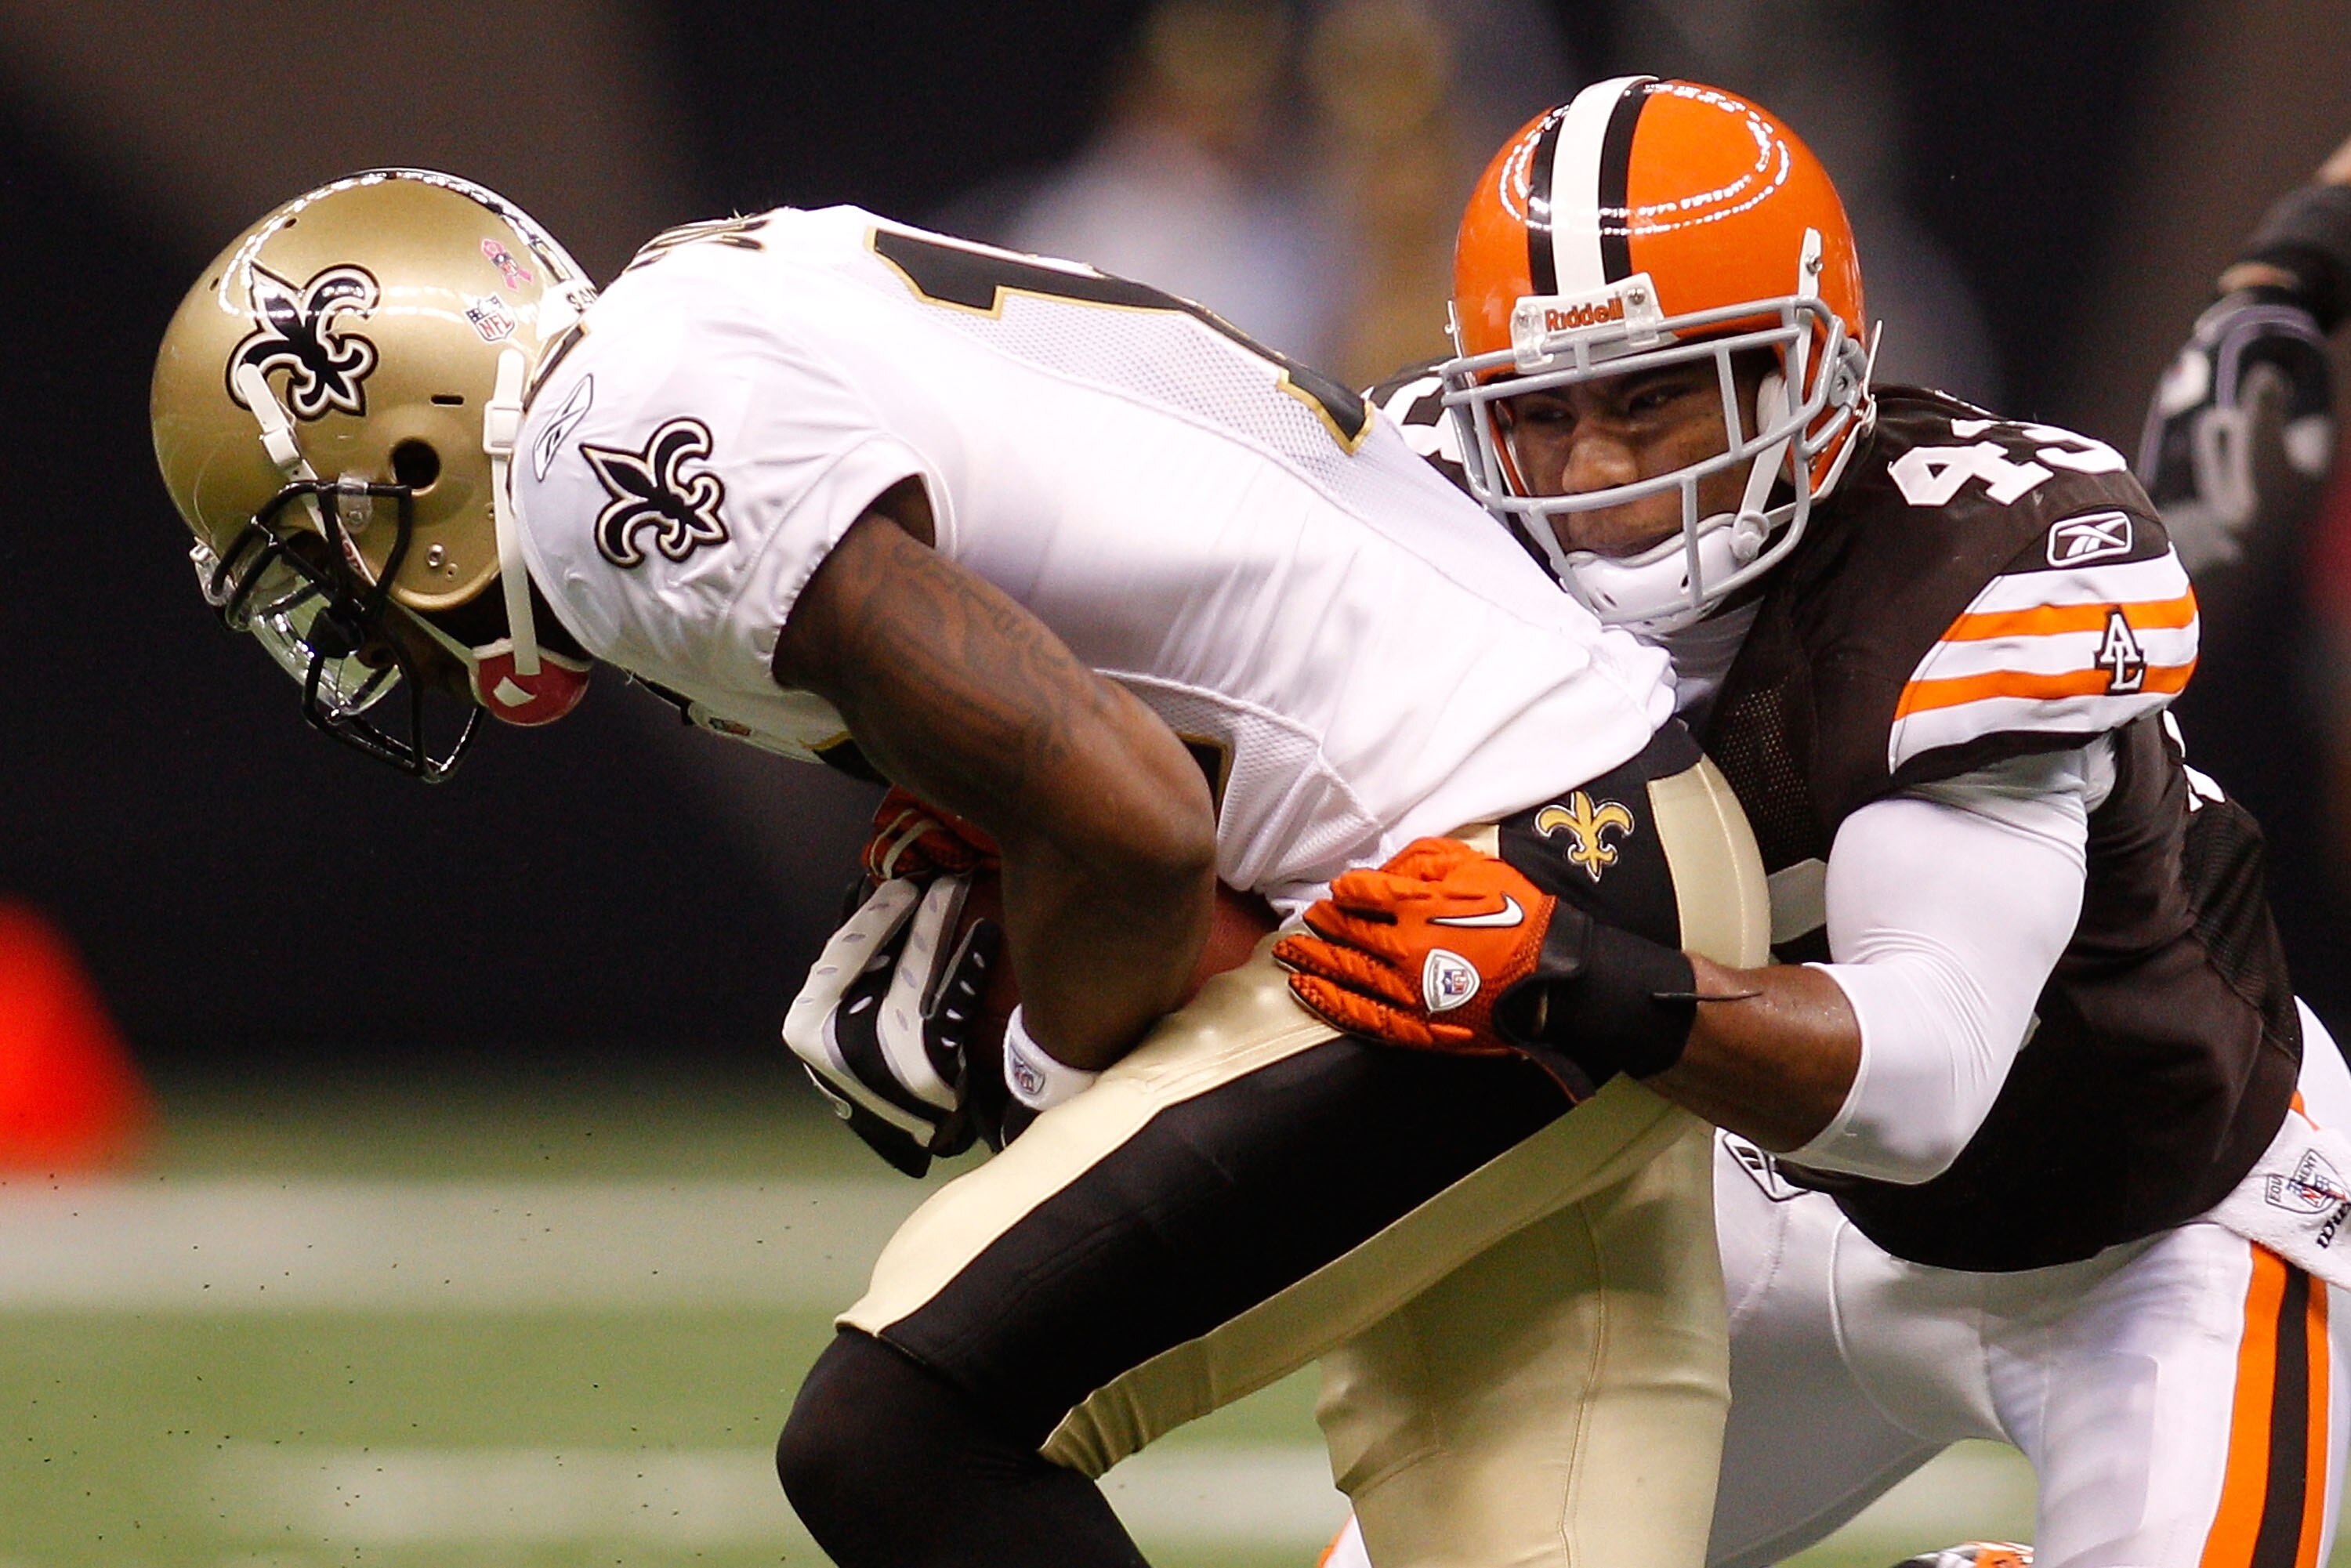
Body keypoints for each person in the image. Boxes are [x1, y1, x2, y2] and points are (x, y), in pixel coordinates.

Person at [149, 168, 1777, 1568]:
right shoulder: (719, 303)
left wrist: (1034, 1062)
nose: (352, 631)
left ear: (416, 454)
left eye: (324, 550)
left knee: (899, 1422)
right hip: (1610, 843)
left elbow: (1131, 822)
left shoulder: (604, 457)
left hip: (1484, 895)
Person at [1290, 78, 2351, 1568]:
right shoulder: (1436, 510)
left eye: (1657, 392)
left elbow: (1922, 1080)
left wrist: (1564, 968)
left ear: (1813, 377)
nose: (1596, 473)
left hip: (2152, 1224)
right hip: (1764, 1205)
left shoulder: (1982, 566)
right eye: (1542, 410)